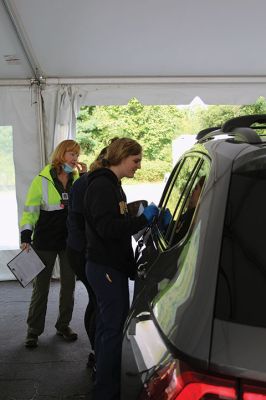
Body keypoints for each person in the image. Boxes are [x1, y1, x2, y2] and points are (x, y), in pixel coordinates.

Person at [83, 137, 159, 400]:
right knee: (113, 332)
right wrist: (140, 222)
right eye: (135, 160)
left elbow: (116, 219)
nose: (138, 166)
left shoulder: (113, 185)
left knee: (108, 329)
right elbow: (107, 229)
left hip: (108, 266)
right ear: (121, 157)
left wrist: (138, 215)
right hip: (105, 267)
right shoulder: (103, 186)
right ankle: (107, 392)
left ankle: (103, 386)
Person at [20, 139, 87, 348]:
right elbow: (30, 210)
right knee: (41, 288)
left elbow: (87, 202)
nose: (75, 158)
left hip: (69, 242)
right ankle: (33, 331)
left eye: (76, 155)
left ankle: (63, 326)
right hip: (45, 241)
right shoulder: (41, 179)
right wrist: (25, 236)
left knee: (68, 286)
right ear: (61, 155)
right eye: (71, 154)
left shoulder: (77, 179)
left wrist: (84, 177)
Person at [66, 143, 112, 373]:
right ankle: (97, 354)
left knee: (96, 301)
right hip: (82, 251)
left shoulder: (92, 180)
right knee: (97, 301)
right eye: (134, 161)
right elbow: (88, 221)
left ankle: (98, 352)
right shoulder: (93, 184)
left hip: (82, 249)